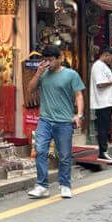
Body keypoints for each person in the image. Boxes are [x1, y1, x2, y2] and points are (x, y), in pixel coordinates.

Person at [27, 42, 85, 199]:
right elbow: (30, 89)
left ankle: (65, 185)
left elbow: (79, 95)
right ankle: (42, 185)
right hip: (45, 120)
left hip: (64, 121)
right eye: (46, 60)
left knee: (64, 155)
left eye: (51, 59)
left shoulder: (71, 74)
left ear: (60, 58)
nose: (49, 63)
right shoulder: (43, 74)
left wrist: (78, 115)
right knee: (40, 151)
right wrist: (38, 73)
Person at [89, 47, 112, 163]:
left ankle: (104, 151)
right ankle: (102, 153)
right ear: (106, 54)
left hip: (107, 102)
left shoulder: (104, 66)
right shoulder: (98, 66)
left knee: (105, 128)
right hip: (102, 102)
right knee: (103, 128)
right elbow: (100, 84)